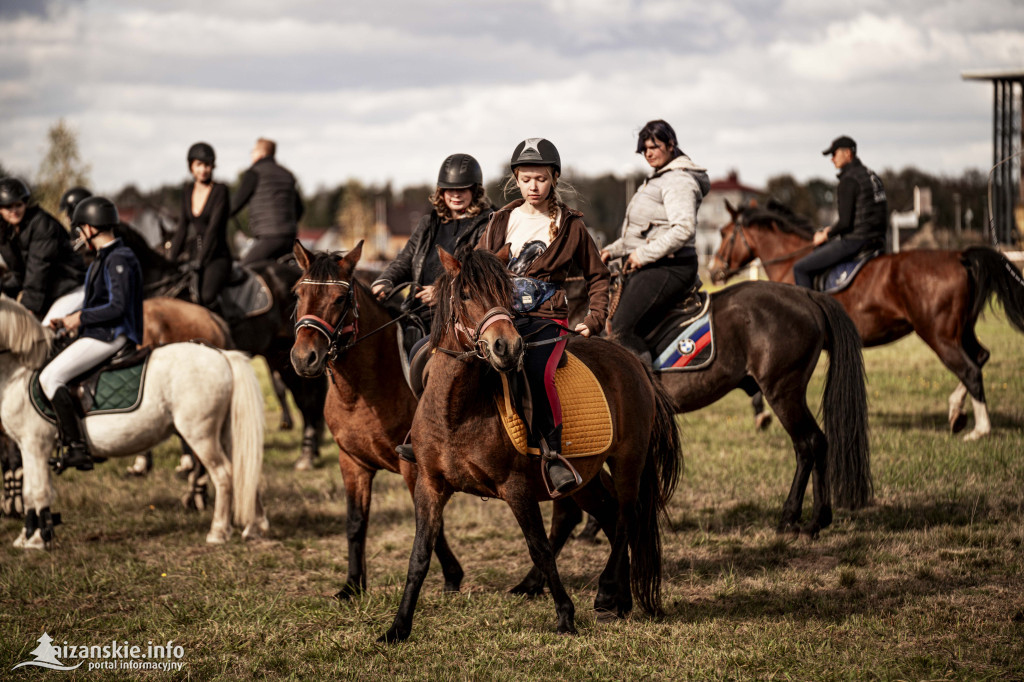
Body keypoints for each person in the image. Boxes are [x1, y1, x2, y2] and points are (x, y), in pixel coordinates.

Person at [478, 138, 610, 496]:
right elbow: (478, 269)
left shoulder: (571, 226)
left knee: (536, 369)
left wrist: (595, 317)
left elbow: (598, 276)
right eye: (525, 179)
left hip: (546, 320)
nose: (532, 186)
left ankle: (553, 455)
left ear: (554, 178)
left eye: (540, 178)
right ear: (515, 181)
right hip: (499, 316)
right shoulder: (499, 220)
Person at [41, 196, 144, 473]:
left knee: (50, 377)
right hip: (98, 331)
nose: (79, 236)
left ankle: (76, 447)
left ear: (89, 228)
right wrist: (66, 322)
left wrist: (80, 318)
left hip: (112, 334)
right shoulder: (105, 257)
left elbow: (118, 307)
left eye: (80, 230)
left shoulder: (119, 258)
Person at [599, 120, 709, 364]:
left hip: (671, 266)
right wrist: (613, 250)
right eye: (644, 149)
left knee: (620, 328)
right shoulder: (659, 178)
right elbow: (644, 233)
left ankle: (648, 394)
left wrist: (641, 255)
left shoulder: (678, 180)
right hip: (655, 262)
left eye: (654, 147)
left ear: (671, 145)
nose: (648, 153)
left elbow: (683, 229)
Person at [371, 153, 494, 337]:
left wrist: (441, 292)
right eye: (449, 189)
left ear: (475, 191)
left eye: (463, 189)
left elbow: (478, 275)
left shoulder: (488, 224)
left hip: (457, 317)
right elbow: (404, 260)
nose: (456, 195)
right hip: (417, 312)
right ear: (441, 191)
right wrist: (385, 280)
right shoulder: (428, 223)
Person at [792, 135, 888, 289]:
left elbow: (845, 223)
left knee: (800, 269)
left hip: (857, 241)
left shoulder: (848, 180)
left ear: (848, 153)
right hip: (880, 240)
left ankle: (810, 312)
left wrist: (825, 234)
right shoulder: (873, 176)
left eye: (834, 154)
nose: (832, 159)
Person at [0, 177, 86, 325]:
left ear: (26, 203)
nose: (14, 211)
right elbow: (20, 274)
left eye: (18, 205)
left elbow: (38, 268)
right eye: (9, 207)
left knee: (44, 334)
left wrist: (28, 307)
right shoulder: (6, 231)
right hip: (49, 291)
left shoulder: (42, 224)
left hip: (70, 288)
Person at [168, 142, 232, 311]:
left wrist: (200, 261)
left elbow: (213, 229)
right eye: (199, 165)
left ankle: (221, 332)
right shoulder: (187, 191)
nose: (203, 170)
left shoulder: (220, 190)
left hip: (217, 256)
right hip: (195, 255)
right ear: (191, 166)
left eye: (207, 165)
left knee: (206, 295)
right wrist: (169, 262)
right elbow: (182, 229)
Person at [230, 138, 304, 265]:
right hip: (290, 238)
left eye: (253, 151)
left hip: (268, 238)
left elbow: (235, 205)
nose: (251, 155)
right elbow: (300, 209)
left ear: (261, 153)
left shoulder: (254, 173)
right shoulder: (287, 174)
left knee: (243, 269)